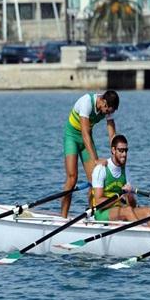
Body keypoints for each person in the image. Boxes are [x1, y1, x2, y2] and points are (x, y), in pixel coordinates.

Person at [61, 90, 120, 218]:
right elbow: (85, 134)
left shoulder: (107, 106)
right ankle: (63, 217)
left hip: (86, 139)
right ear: (103, 103)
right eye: (108, 111)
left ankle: (93, 216)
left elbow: (111, 133)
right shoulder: (86, 102)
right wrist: (95, 160)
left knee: (95, 179)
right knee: (72, 178)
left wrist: (116, 152)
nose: (108, 114)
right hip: (72, 137)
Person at [91, 134, 150, 227]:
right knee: (127, 211)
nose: (124, 154)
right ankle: (144, 236)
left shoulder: (126, 170)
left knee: (149, 211)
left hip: (121, 210)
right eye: (121, 151)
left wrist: (129, 196)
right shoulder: (101, 169)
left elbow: (133, 205)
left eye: (126, 150)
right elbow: (98, 202)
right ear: (113, 150)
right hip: (101, 213)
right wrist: (119, 198)